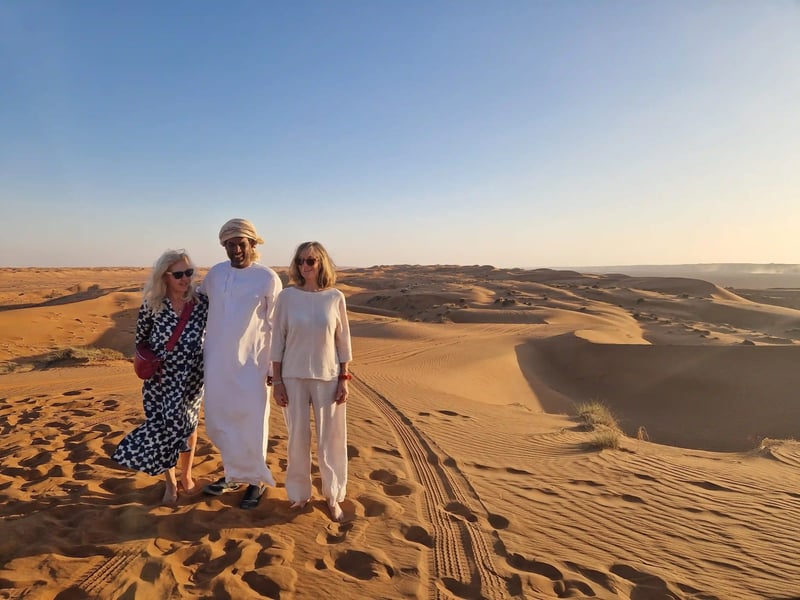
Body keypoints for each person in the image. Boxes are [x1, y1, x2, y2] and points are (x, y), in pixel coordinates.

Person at [112, 250, 209, 506]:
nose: (186, 279)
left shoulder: (200, 303)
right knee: (164, 429)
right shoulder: (152, 304)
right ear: (165, 276)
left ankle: (186, 476)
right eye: (179, 274)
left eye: (189, 273)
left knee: (189, 426)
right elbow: (140, 342)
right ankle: (171, 484)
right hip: (161, 382)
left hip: (191, 380)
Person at [199, 218, 283, 510]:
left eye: (241, 244)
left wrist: (275, 366)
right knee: (221, 419)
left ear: (252, 245)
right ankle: (232, 474)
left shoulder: (268, 278)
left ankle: (255, 483)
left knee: (252, 421)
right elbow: (198, 303)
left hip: (254, 364)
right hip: (217, 362)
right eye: (230, 244)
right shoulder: (215, 274)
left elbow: (277, 325)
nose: (236, 249)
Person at [271, 241, 352, 522]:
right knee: (297, 438)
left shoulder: (335, 297)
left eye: (312, 260)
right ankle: (299, 494)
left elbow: (343, 342)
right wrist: (277, 381)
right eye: (302, 260)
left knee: (330, 439)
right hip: (292, 377)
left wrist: (344, 378)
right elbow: (277, 339)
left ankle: (333, 496)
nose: (306, 265)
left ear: (322, 263)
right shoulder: (287, 297)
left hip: (328, 376)